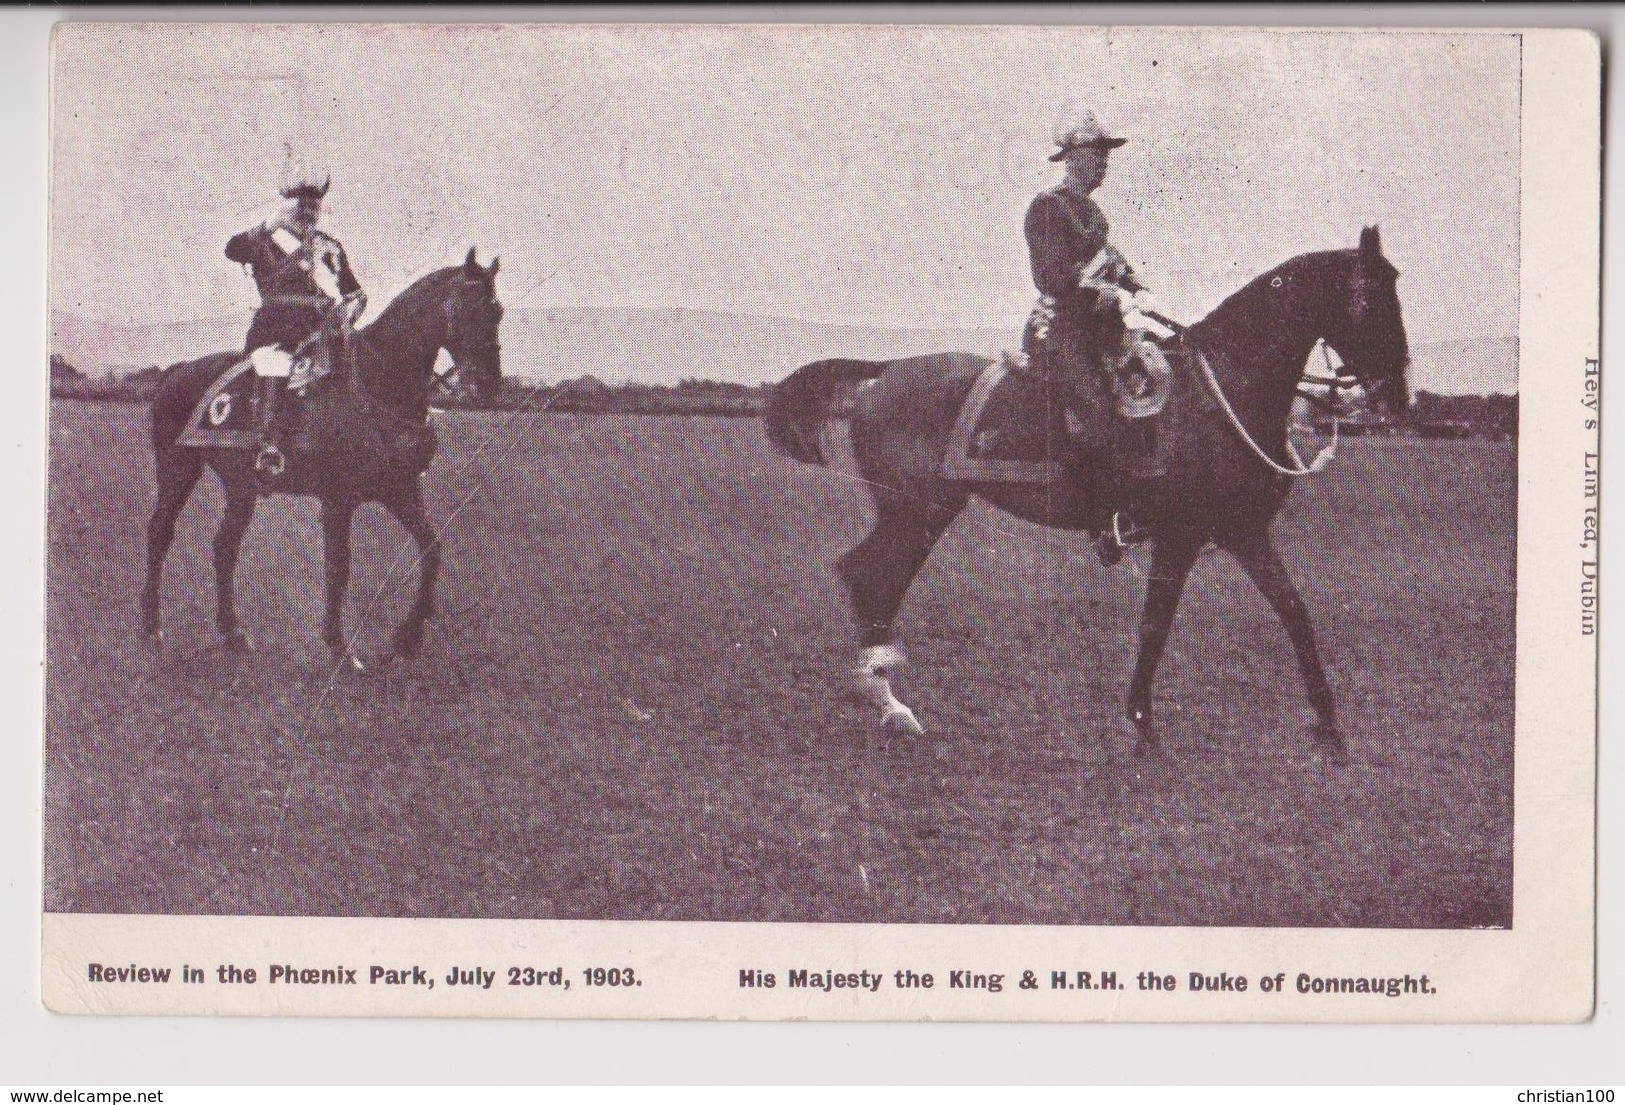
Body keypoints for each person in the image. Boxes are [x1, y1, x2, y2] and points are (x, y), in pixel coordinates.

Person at [1020, 106, 1159, 564]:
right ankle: (1105, 519)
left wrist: (1137, 290)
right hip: (1058, 332)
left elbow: (1114, 264)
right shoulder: (1047, 207)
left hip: (1097, 335)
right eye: (1096, 154)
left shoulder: (1093, 213)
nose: (1104, 162)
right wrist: (1106, 296)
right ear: (1073, 157)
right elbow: (1054, 278)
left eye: (1105, 155)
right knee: (1098, 409)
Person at [226, 147, 362, 475]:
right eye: (300, 205)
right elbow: (233, 250)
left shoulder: (330, 247)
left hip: (324, 332)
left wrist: (349, 313)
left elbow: (355, 293)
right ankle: (269, 447)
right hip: (276, 331)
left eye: (313, 205)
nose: (307, 211)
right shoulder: (265, 242)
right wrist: (267, 226)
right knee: (277, 366)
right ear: (286, 208)